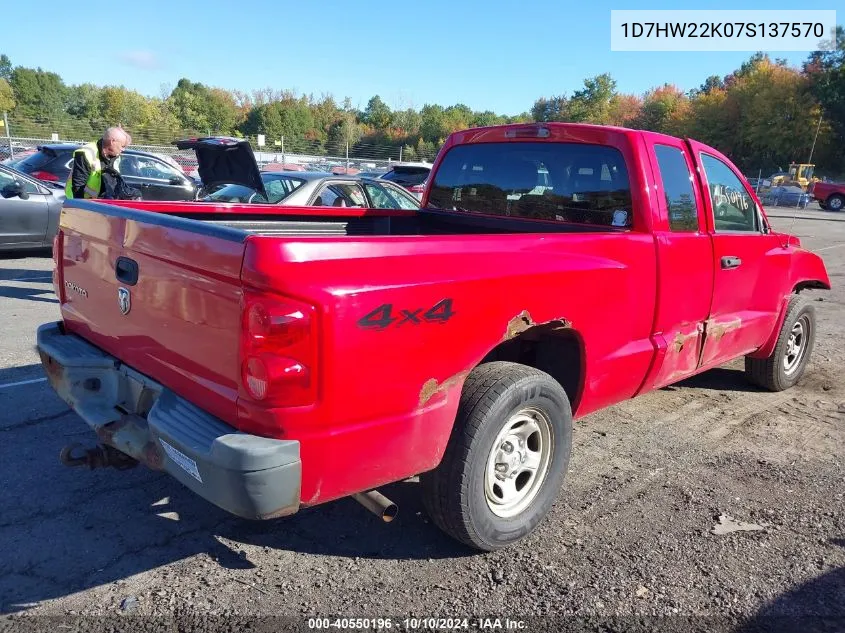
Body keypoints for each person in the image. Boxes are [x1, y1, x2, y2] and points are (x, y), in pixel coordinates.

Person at [65, 127, 131, 199]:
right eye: (122, 146)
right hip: (80, 202)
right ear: (112, 142)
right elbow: (78, 186)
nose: (123, 149)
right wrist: (80, 206)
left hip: (101, 203)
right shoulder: (86, 153)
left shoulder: (116, 157)